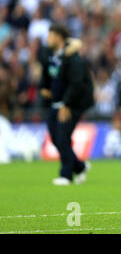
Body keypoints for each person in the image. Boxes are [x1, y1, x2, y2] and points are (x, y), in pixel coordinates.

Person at [39, 25, 94, 186]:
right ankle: (80, 166)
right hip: (56, 103)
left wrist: (66, 103)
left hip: (72, 105)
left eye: (50, 36)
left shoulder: (73, 58)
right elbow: (46, 73)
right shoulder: (50, 55)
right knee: (56, 138)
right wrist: (44, 88)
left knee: (63, 138)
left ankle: (66, 175)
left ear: (58, 38)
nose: (47, 39)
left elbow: (76, 84)